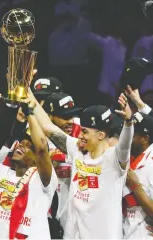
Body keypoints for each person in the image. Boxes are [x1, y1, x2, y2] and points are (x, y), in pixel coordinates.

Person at [30, 89, 134, 239]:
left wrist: (128, 122)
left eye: (85, 132)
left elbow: (125, 145)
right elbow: (47, 127)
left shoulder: (114, 159)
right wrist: (28, 94)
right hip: (72, 234)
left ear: (101, 135)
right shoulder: (77, 150)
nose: (80, 135)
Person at [0, 89, 57, 239]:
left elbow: (42, 149)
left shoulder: (43, 179)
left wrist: (29, 112)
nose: (20, 146)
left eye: (28, 146)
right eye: (20, 143)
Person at [42, 92, 82, 230]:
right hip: (45, 212)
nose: (70, 121)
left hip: (73, 214)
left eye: (72, 116)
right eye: (65, 117)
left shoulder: (83, 136)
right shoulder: (36, 139)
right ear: (49, 116)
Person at [123, 112, 153, 239]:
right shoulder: (132, 156)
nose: (126, 137)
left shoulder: (150, 163)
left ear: (144, 139)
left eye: (132, 134)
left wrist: (135, 186)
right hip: (129, 227)